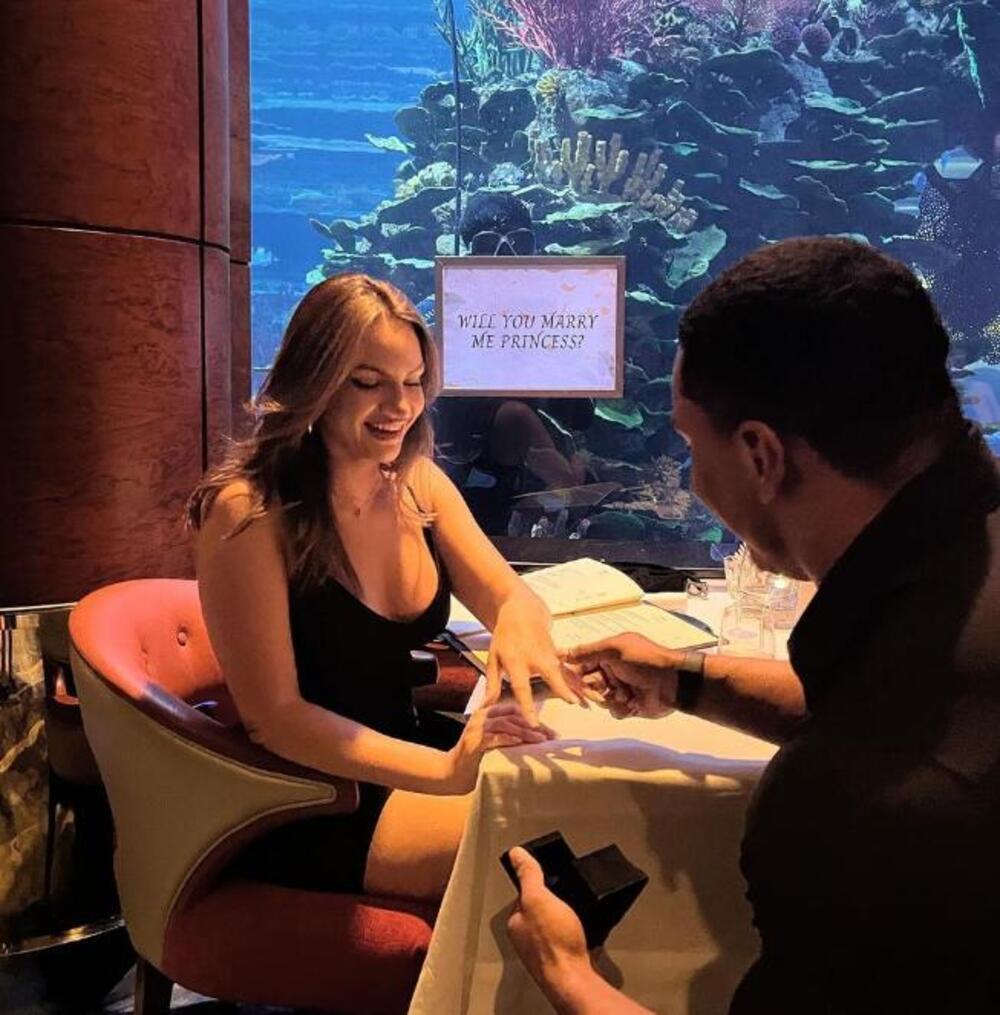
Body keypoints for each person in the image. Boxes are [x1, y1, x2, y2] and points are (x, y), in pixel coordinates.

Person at [506, 237, 1000, 1012]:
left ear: (762, 455)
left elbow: (889, 742)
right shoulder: (954, 589)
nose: (691, 476)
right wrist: (686, 680)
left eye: (689, 444)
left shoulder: (857, 808)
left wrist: (568, 974)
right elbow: (889, 701)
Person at [187, 273, 581, 901]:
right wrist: (446, 770)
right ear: (313, 381)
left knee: (590, 803)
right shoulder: (248, 512)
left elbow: (513, 597)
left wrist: (517, 634)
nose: (400, 405)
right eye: (368, 382)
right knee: (554, 863)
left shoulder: (416, 483)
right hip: (309, 791)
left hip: (408, 748)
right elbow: (276, 721)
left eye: (414, 381)